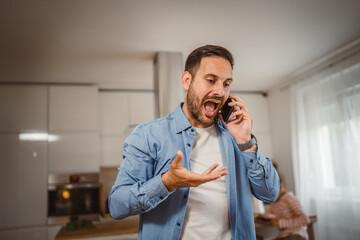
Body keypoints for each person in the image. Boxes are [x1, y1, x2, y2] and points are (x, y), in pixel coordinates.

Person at [109, 45, 280, 240]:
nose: (220, 91)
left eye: (226, 84)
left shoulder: (238, 137)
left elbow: (270, 194)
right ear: (187, 81)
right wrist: (166, 183)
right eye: (211, 80)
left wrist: (245, 141)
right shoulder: (148, 135)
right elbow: (117, 205)